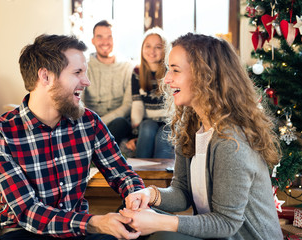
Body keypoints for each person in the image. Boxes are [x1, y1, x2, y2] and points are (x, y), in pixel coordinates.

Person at [120, 33, 283, 239]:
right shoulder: (190, 127)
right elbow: (182, 193)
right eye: (168, 69)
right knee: (131, 219)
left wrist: (160, 222)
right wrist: (149, 194)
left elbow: (226, 223)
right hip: (217, 234)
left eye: (175, 71)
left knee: (162, 236)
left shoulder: (231, 142)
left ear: (205, 76)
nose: (167, 79)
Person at [0, 34, 145, 240]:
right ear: (45, 77)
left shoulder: (89, 122)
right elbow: (28, 211)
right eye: (77, 72)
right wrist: (95, 223)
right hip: (24, 231)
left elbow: (122, 174)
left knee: (128, 234)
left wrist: (136, 195)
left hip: (77, 229)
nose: (87, 82)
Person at [82, 20, 134, 145]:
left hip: (116, 122)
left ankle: (93, 150)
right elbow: (79, 100)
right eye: (99, 37)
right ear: (93, 40)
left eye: (109, 37)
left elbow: (127, 105)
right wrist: (91, 122)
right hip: (89, 121)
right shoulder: (84, 66)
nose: (105, 42)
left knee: (121, 123)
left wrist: (101, 122)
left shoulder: (128, 67)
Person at [125, 27, 174, 159]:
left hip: (169, 120)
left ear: (165, 49)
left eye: (158, 47)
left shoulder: (171, 71)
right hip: (149, 120)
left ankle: (162, 175)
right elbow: (137, 105)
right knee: (146, 128)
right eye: (148, 46)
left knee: (162, 137)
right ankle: (141, 173)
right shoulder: (137, 72)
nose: (152, 51)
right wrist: (134, 135)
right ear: (142, 48)